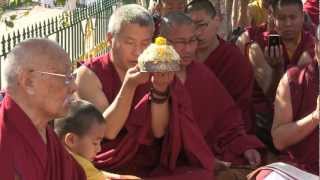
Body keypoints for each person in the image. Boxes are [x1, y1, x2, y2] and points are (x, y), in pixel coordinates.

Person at [75, 4, 214, 179]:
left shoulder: (153, 66)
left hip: (150, 163)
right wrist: (129, 86)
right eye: (130, 42)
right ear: (110, 39)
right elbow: (107, 132)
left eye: (145, 43)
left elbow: (159, 131)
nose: (138, 52)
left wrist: (160, 89)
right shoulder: (89, 74)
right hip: (108, 163)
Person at [159, 12, 266, 180]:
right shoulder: (152, 76)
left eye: (192, 41)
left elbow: (227, 119)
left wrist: (244, 146)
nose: (188, 49)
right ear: (162, 42)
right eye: (180, 42)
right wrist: (205, 159)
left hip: (207, 155)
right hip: (167, 160)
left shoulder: (201, 73)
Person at [0, 39, 85, 180]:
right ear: (29, 82)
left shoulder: (44, 130)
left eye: (72, 76)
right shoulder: (4, 143)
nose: (74, 87)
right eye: (66, 77)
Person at [236, 0, 316, 150]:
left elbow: (300, 91)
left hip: (302, 114)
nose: (288, 23)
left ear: (302, 16)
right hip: (266, 118)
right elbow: (273, 95)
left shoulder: (311, 44)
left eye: (293, 17)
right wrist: (277, 68)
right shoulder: (258, 45)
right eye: (282, 18)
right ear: (273, 18)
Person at [186, 0, 256, 133]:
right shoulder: (183, 58)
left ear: (217, 21)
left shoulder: (234, 59)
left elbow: (241, 107)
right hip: (189, 130)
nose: (197, 33)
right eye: (191, 27)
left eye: (202, 25)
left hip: (225, 130)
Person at [269, 25, 320, 175]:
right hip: (302, 170)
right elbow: (278, 140)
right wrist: (315, 117)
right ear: (316, 46)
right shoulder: (294, 80)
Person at [55, 99, 141, 180]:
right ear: (71, 140)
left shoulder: (55, 153)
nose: (99, 149)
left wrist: (118, 177)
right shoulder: (79, 165)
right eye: (95, 143)